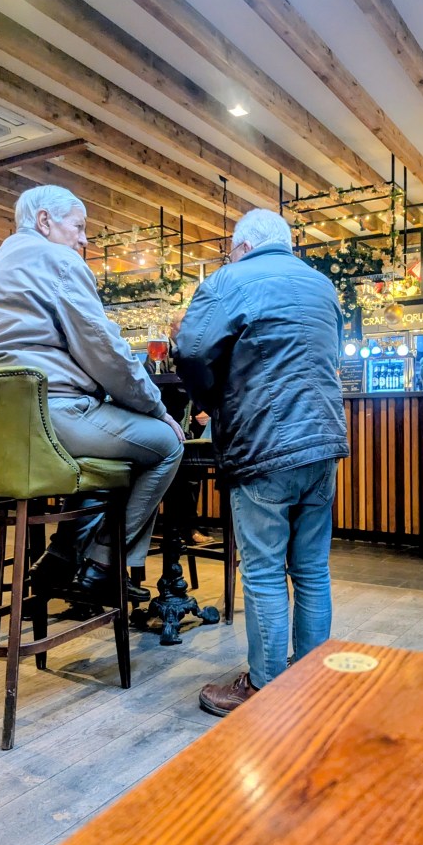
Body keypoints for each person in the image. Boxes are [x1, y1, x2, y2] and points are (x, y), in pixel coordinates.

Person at [0, 185, 185, 606]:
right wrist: (155, 407)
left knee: (109, 458)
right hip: (43, 421)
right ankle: (103, 567)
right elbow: (107, 352)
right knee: (166, 444)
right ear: (45, 221)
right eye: (78, 227)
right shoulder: (57, 260)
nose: (84, 239)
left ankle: (59, 559)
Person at [173, 208, 349, 716]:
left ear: (243, 247)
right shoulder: (322, 285)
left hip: (264, 441)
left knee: (265, 571)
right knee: (311, 569)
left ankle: (265, 687)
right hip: (323, 440)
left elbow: (191, 351)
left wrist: (212, 401)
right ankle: (313, 679)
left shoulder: (228, 280)